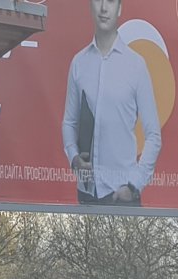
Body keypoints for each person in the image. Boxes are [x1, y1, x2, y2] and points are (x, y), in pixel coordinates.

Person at [61, 0, 162, 206]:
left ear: (120, 8)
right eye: (98, 1)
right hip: (87, 194)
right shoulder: (79, 63)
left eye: (111, 2)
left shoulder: (136, 65)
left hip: (122, 195)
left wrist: (134, 185)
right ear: (90, 5)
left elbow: (154, 135)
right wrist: (74, 158)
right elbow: (69, 122)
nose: (104, 8)